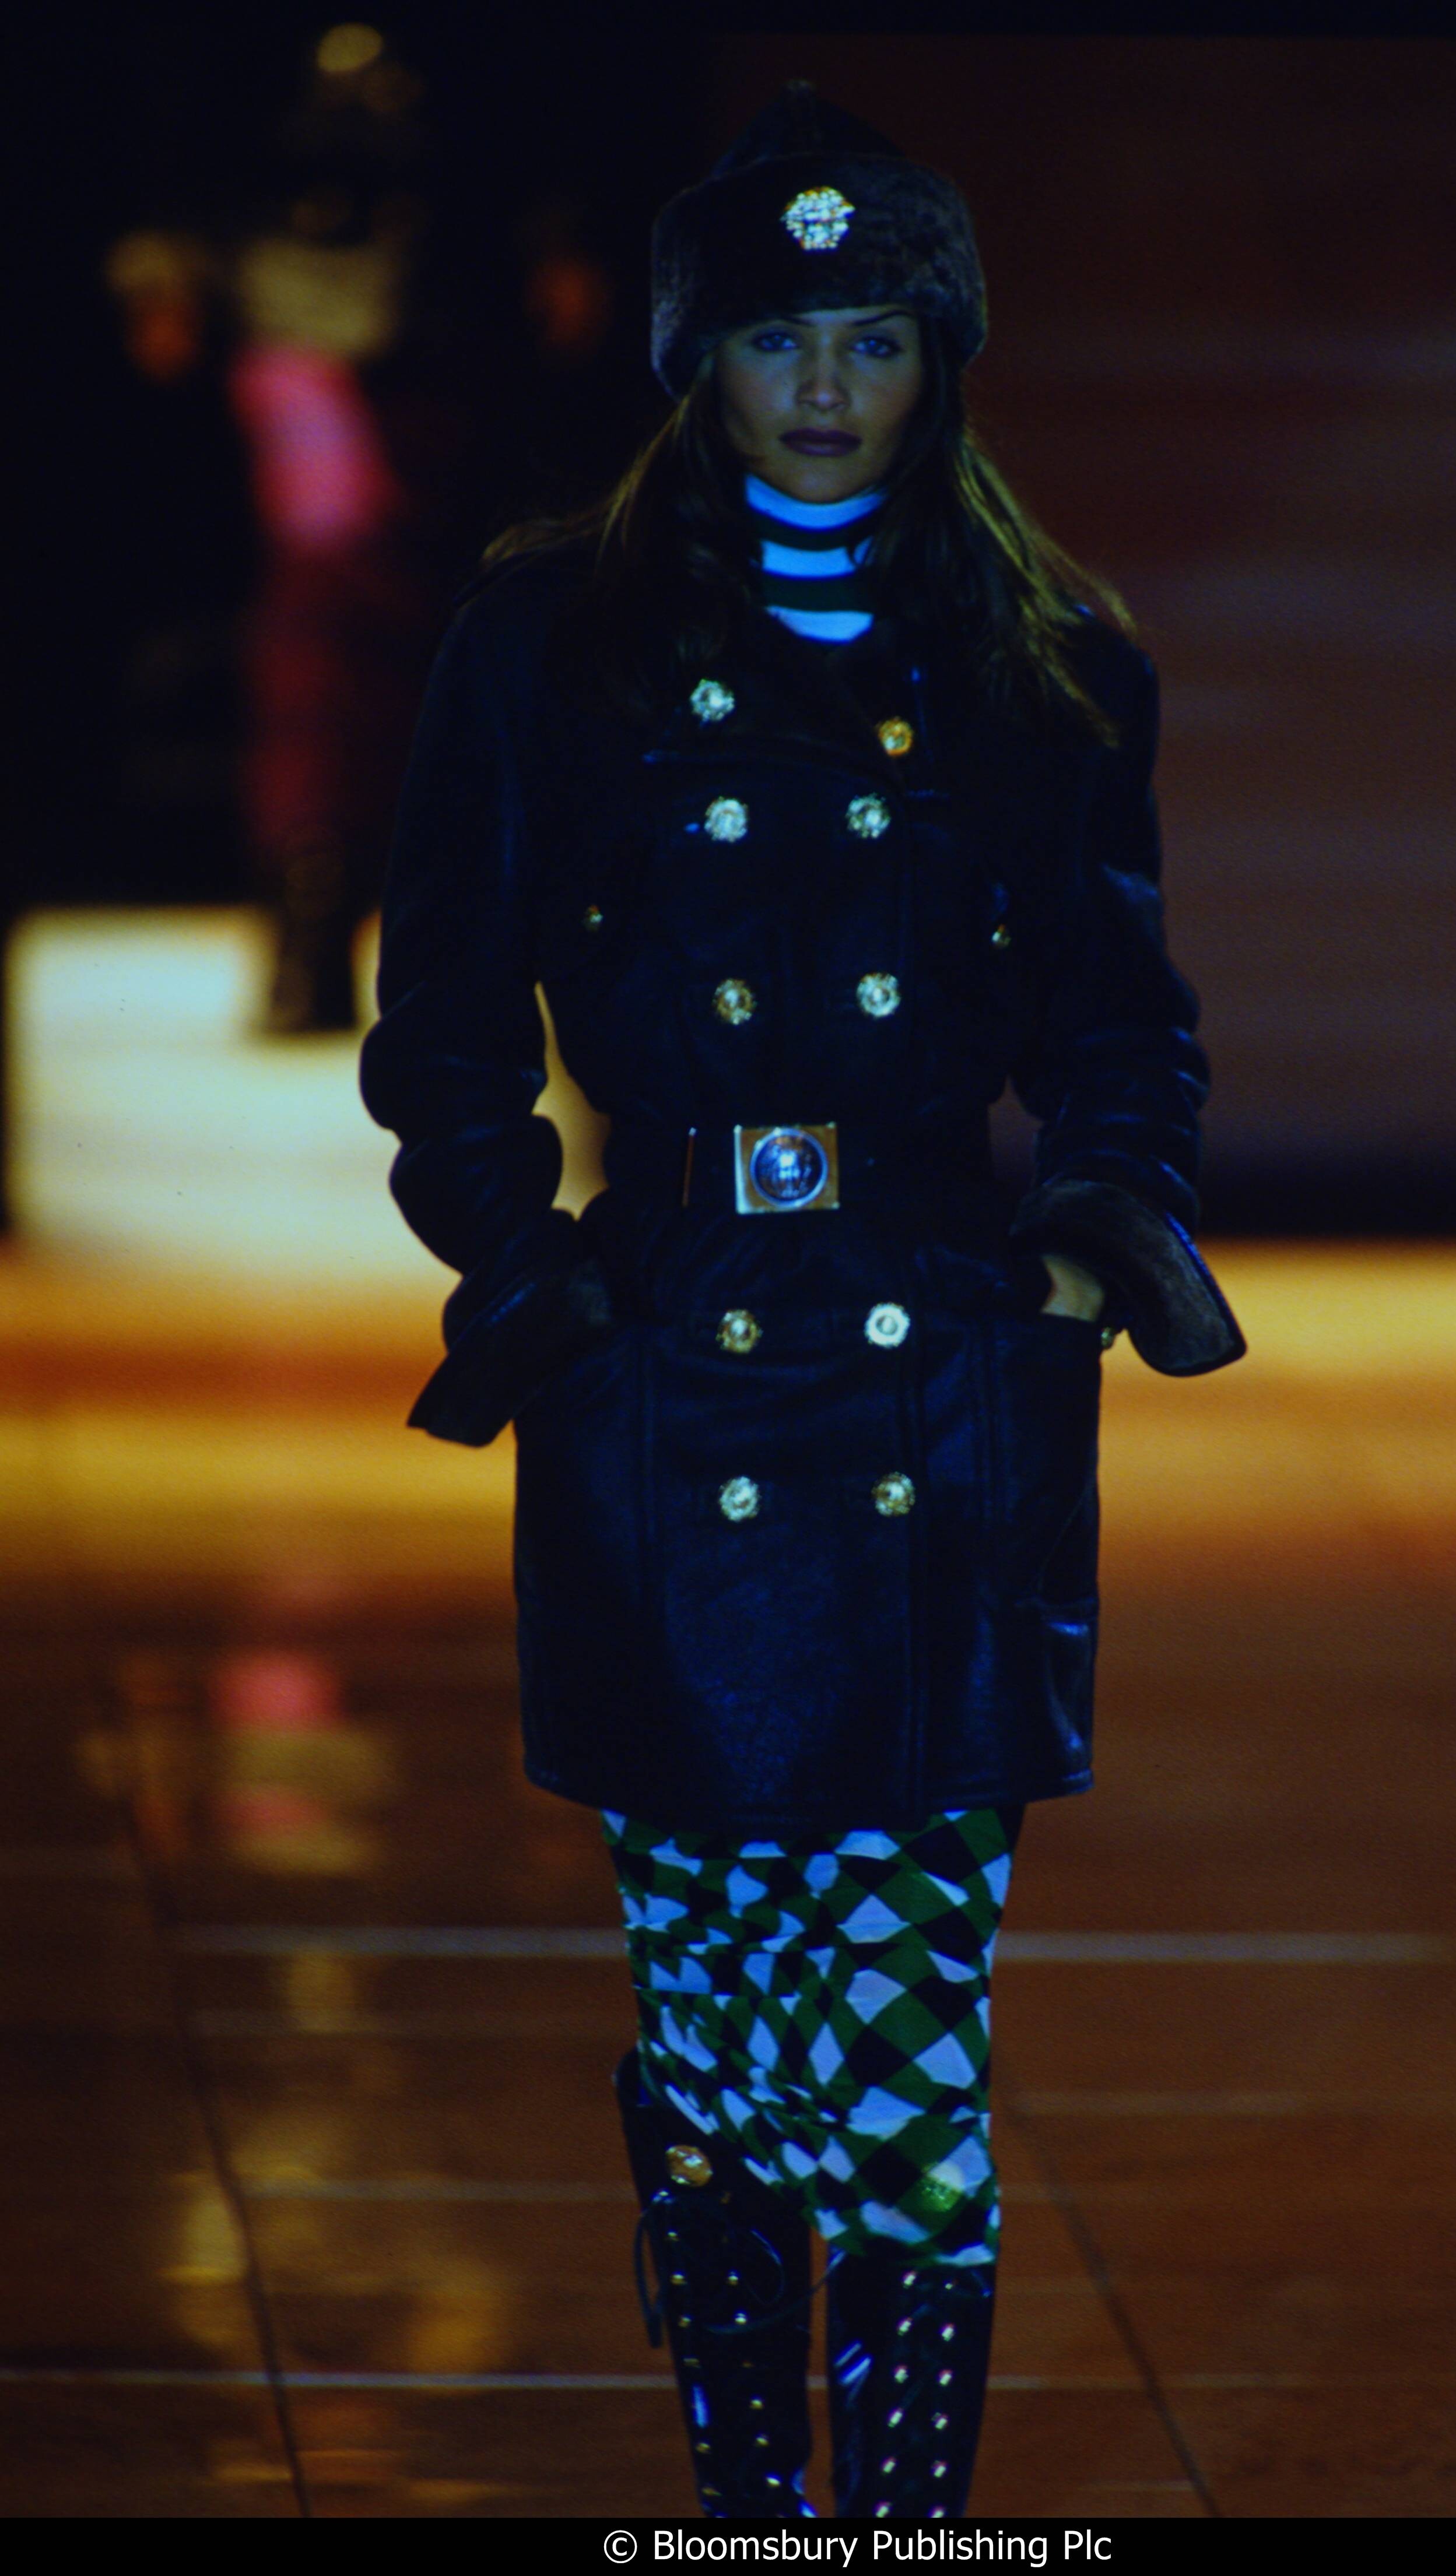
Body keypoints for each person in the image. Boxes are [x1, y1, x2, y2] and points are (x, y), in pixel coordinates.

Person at [360, 83, 1244, 2521]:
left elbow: (1125, 1016)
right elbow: (444, 1003)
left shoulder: (1049, 658)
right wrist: (522, 1259)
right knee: (720, 2017)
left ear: (939, 356)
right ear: (698, 362)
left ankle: (908, 2531)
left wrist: (1091, 1237)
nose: (826, 385)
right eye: (776, 337)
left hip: (942, 1373)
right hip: (664, 1369)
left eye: (871, 333)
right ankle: (755, 2518)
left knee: (907, 2027)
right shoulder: (551, 643)